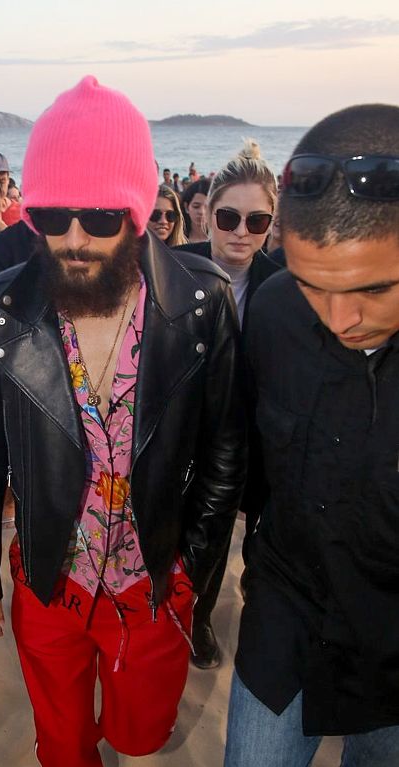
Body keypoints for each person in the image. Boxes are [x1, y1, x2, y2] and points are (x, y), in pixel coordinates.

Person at [0, 76, 245, 767]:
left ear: (140, 209)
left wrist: (192, 571)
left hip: (152, 578)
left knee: (140, 732)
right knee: (60, 738)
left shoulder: (199, 304)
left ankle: (128, 732)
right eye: (52, 216)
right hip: (50, 575)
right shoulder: (0, 308)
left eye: (99, 216)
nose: (74, 239)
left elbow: (224, 452)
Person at [188, 103, 399, 767]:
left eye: (372, 290)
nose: (336, 317)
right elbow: (235, 458)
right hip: (289, 603)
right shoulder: (272, 310)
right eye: (314, 286)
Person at [176, 141, 281, 668]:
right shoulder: (173, 271)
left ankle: (198, 615)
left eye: (257, 220)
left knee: (217, 534)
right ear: (207, 215)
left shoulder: (282, 288)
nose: (242, 231)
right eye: (228, 217)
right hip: (179, 431)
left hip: (247, 439)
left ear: (271, 225)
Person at [181, 177, 210, 242]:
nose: (201, 212)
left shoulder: (220, 239)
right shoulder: (178, 239)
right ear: (186, 207)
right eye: (196, 206)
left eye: (207, 207)